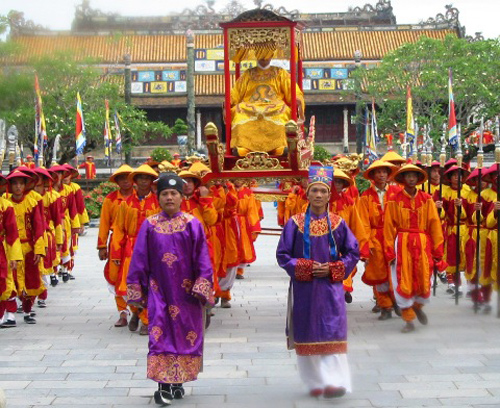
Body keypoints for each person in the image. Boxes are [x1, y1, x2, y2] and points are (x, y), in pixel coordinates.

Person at [127, 172, 214, 406]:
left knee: (185, 335)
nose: (169, 198)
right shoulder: (150, 225)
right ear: (158, 198)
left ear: (181, 197)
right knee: (160, 335)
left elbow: (203, 258)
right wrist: (137, 288)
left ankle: (178, 380)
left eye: (173, 193)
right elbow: (139, 258)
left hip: (187, 294)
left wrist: (202, 286)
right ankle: (163, 386)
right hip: (159, 291)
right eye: (164, 193)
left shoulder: (192, 224)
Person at [276, 166, 359, 399]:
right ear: (307, 193)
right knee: (307, 329)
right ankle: (314, 381)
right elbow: (283, 255)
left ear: (329, 195)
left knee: (332, 329)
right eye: (315, 190)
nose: (319, 195)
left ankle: (334, 382)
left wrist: (334, 268)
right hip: (304, 288)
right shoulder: (294, 223)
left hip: (331, 287)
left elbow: (353, 252)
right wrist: (306, 267)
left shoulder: (338, 223)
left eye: (323, 191)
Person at [384, 164, 445, 333]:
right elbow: (388, 227)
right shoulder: (394, 200)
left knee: (424, 276)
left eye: (414, 176)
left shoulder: (427, 199)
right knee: (402, 278)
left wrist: (438, 250)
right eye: (407, 176)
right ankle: (408, 318)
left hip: (422, 243)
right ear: (403, 179)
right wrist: (389, 251)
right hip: (402, 243)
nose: (411, 179)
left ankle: (417, 306)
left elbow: (434, 225)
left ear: (418, 179)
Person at [111, 164, 160, 335]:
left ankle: (146, 320)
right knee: (129, 283)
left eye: (147, 178)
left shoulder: (158, 202)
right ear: (135, 181)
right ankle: (137, 311)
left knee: (150, 284)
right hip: (130, 249)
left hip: (152, 249)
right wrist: (116, 252)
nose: (144, 181)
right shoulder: (126, 204)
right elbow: (119, 229)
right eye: (140, 178)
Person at [230, 57, 305, 156]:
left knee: (282, 112)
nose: (264, 57)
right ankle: (243, 147)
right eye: (261, 54)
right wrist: (229, 101)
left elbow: (292, 90)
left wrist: (297, 98)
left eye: (267, 54)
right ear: (256, 55)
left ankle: (279, 147)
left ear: (272, 54)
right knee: (238, 112)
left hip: (275, 106)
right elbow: (235, 93)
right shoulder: (248, 74)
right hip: (250, 107)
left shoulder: (280, 73)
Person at [358, 160, 400, 320]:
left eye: (384, 172)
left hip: (394, 237)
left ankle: (397, 300)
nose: (381, 175)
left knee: (396, 271)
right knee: (379, 273)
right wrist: (366, 244)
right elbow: (363, 223)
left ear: (388, 175)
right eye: (378, 172)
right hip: (375, 238)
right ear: (372, 176)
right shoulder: (366, 196)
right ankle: (385, 305)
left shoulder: (397, 192)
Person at [3, 170, 46, 325]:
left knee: (31, 280)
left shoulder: (32, 202)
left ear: (25, 185)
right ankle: (10, 314)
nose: (18, 187)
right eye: (15, 183)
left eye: (21, 183)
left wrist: (39, 249)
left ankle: (27, 311)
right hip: (8, 247)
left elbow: (39, 226)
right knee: (10, 280)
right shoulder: (4, 203)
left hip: (28, 247)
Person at [97, 164, 134, 327]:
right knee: (115, 276)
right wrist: (102, 246)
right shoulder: (110, 199)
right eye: (121, 178)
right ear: (117, 181)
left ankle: (139, 311)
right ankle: (122, 312)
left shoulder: (140, 197)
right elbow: (104, 223)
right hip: (116, 244)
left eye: (128, 178)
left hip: (135, 242)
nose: (125, 181)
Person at [0, 175, 23, 328]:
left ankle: (8, 313)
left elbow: (12, 233)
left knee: (6, 280)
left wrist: (14, 256)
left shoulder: (6, 206)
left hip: (2, 248)